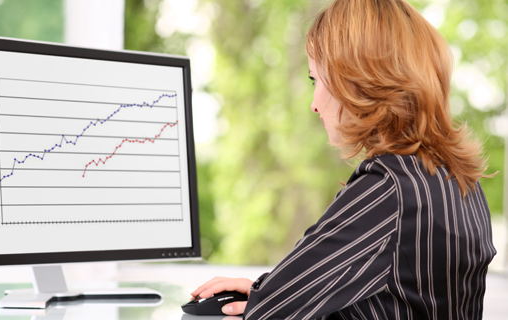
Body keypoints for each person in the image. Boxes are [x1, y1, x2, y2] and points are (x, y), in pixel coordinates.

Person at [190, 0, 497, 319]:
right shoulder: (458, 180)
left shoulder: (390, 188)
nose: (314, 104)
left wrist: (265, 297)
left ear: (360, 80)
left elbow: (275, 309)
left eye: (316, 80)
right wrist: (266, 289)